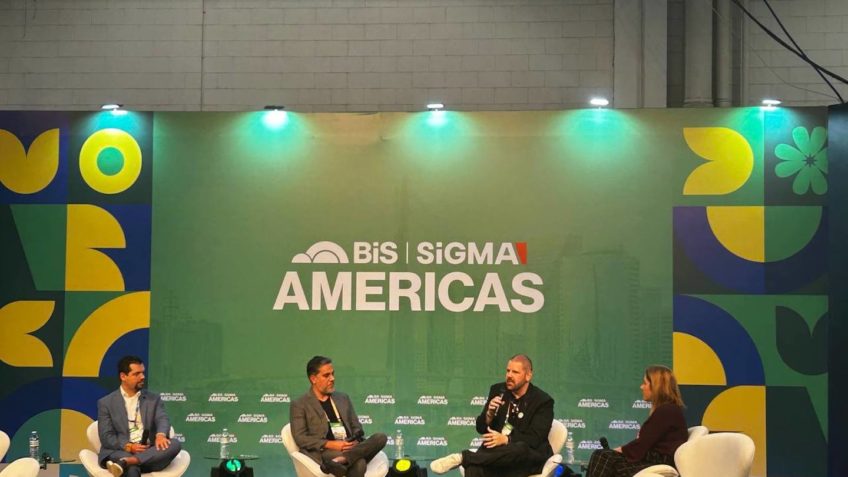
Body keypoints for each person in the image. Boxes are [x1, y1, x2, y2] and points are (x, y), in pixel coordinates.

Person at [430, 354, 554, 477]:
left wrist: (506, 439)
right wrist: (489, 414)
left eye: (515, 372)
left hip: (527, 458)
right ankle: (469, 459)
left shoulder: (542, 401)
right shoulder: (498, 390)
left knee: (520, 448)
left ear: (528, 375)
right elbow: (481, 428)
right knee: (474, 467)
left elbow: (535, 439)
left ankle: (463, 457)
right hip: (498, 456)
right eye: (508, 371)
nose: (509, 375)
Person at [290, 356, 387, 477]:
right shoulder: (300, 404)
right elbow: (301, 438)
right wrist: (331, 444)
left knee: (380, 437)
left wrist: (355, 441)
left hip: (350, 446)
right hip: (325, 451)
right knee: (359, 463)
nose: (332, 378)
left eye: (332, 374)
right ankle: (342, 460)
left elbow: (356, 427)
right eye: (326, 375)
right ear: (313, 379)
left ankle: (340, 461)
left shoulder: (342, 398)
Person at [586, 365, 688, 477]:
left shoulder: (667, 411)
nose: (641, 387)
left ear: (656, 386)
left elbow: (641, 445)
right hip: (651, 460)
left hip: (657, 463)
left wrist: (617, 451)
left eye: (645, 383)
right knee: (604, 457)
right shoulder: (669, 409)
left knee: (602, 456)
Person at [97, 355, 182, 477]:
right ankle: (129, 461)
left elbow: (162, 419)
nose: (142, 377)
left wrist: (160, 435)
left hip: (150, 451)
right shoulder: (106, 403)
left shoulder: (153, 399)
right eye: (136, 374)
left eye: (143, 373)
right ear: (123, 376)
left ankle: (127, 462)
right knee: (132, 469)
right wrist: (129, 447)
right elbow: (106, 437)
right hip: (122, 451)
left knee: (174, 444)